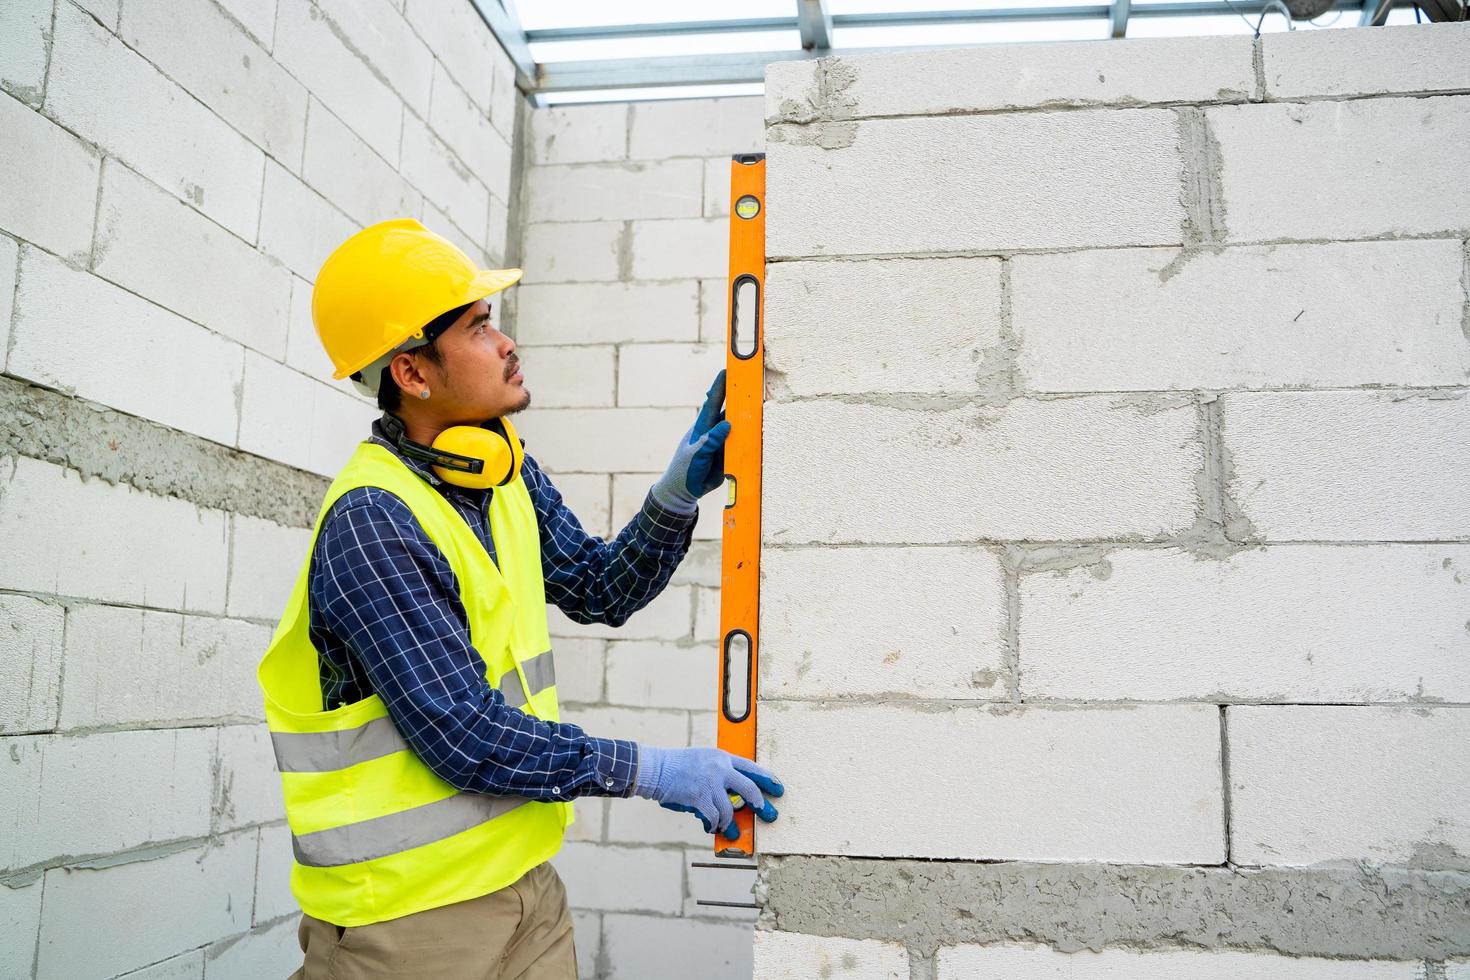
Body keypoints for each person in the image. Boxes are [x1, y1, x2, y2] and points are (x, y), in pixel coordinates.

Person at [257, 218, 783, 979]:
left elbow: (599, 587)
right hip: (408, 929)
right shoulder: (374, 523)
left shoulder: (500, 472)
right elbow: (465, 735)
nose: (505, 343)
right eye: (477, 328)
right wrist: (652, 770)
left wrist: (674, 497)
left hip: (528, 894)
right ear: (412, 373)